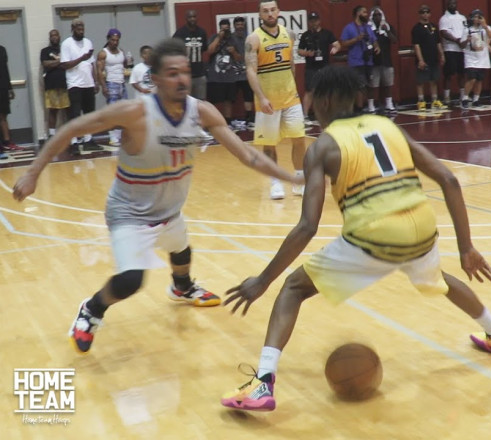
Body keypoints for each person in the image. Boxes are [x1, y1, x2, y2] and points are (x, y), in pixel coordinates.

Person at [219, 65, 491, 412]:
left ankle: (263, 383)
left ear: (323, 99)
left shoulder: (323, 148)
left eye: (311, 98)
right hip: (422, 228)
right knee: (438, 278)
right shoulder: (388, 126)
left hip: (374, 235)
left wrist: (262, 280)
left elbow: (307, 227)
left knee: (293, 288)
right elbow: (448, 180)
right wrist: (466, 248)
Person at [11, 38, 303, 354]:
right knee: (131, 281)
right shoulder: (135, 112)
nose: (181, 79)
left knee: (181, 253)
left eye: (185, 73)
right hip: (129, 213)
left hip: (169, 212)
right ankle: (92, 309)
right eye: (173, 73)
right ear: (157, 79)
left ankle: (182, 288)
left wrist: (291, 176)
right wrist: (32, 173)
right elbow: (71, 129)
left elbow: (248, 156)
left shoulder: (201, 112)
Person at [245, 0, 307, 200]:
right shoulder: (253, 39)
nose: (270, 14)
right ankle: (275, 183)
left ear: (278, 11)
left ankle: (299, 181)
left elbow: (291, 65)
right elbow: (250, 71)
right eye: (265, 11)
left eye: (273, 10)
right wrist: (261, 97)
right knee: (269, 144)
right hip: (267, 101)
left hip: (291, 98)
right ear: (260, 15)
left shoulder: (288, 34)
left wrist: (292, 88)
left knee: (299, 139)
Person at [60, 19, 101, 153]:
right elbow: (64, 65)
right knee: (75, 115)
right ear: (72, 28)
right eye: (78, 27)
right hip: (74, 84)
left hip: (88, 83)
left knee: (89, 115)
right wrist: (81, 59)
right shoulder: (66, 44)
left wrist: (95, 81)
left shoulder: (88, 42)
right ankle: (74, 143)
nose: (81, 30)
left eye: (82, 27)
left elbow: (92, 64)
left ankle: (88, 140)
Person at [297, 12, 339, 122]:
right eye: (311, 21)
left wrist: (335, 48)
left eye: (315, 20)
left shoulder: (327, 33)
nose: (313, 23)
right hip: (311, 67)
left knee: (327, 90)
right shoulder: (305, 35)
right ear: (308, 22)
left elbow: (337, 44)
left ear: (319, 21)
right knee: (309, 91)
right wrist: (307, 53)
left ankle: (328, 113)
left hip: (325, 66)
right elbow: (299, 51)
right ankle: (305, 115)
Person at [340, 5, 379, 112]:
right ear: (358, 13)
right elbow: (343, 43)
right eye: (364, 12)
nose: (366, 14)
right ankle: (358, 108)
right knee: (358, 86)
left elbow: (374, 40)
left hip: (368, 60)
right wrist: (356, 39)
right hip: (356, 61)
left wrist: (376, 47)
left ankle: (370, 106)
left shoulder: (368, 27)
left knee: (369, 84)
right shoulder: (349, 27)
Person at [205, 19, 240, 128]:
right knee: (214, 101)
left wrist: (233, 51)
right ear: (219, 28)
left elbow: (239, 58)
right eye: (223, 28)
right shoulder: (214, 37)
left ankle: (228, 122)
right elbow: (209, 51)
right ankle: (213, 122)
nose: (225, 31)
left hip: (229, 76)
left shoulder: (233, 39)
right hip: (215, 76)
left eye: (227, 28)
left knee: (228, 101)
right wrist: (219, 38)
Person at [96, 28, 127, 145]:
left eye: (117, 40)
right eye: (113, 40)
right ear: (108, 39)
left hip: (121, 83)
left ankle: (119, 136)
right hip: (111, 83)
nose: (115, 42)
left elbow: (124, 65)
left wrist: (128, 61)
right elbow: (99, 71)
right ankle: (112, 137)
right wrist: (103, 86)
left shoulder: (121, 52)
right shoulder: (103, 53)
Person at [411, 4, 445, 111]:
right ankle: (421, 101)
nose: (425, 14)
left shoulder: (433, 27)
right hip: (423, 58)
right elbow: (416, 45)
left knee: (433, 80)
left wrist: (442, 54)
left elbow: (438, 42)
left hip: (433, 57)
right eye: (422, 12)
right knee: (421, 81)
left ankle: (434, 100)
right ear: (419, 14)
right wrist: (420, 60)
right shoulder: (416, 29)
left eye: (427, 12)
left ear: (429, 14)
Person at [40, 29, 70, 142]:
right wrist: (60, 61)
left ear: (59, 36)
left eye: (56, 35)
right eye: (52, 36)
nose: (54, 37)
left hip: (66, 83)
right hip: (51, 84)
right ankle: (52, 135)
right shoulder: (45, 51)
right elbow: (46, 63)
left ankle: (71, 134)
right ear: (49, 38)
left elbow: (69, 63)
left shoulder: (65, 49)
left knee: (68, 110)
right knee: (53, 110)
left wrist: (56, 63)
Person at [172, 10, 208, 101]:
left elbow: (204, 48)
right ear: (186, 18)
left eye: (194, 17)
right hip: (185, 74)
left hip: (200, 73)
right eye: (190, 17)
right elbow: (173, 49)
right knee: (186, 101)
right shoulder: (180, 33)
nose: (192, 19)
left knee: (201, 101)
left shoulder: (202, 32)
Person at [461, 9, 491, 109]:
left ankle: (476, 98)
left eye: (479, 17)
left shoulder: (485, 28)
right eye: (475, 17)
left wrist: (485, 25)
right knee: (472, 78)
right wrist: (467, 40)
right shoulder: (467, 30)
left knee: (479, 79)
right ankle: (465, 98)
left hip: (482, 58)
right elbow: (461, 45)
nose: (477, 19)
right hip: (471, 57)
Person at [369, 6, 397, 113]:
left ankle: (389, 104)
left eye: (379, 15)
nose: (377, 17)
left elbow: (394, 40)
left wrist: (387, 31)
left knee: (388, 84)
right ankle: (371, 105)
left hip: (386, 61)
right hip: (373, 62)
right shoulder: (369, 29)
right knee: (373, 85)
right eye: (375, 15)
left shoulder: (388, 27)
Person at [439, 0, 467, 106]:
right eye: (450, 4)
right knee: (448, 74)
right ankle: (446, 97)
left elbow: (465, 30)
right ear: (447, 5)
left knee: (462, 73)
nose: (452, 5)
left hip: (461, 50)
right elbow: (443, 32)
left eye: (454, 3)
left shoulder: (462, 18)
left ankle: (462, 96)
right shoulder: (444, 19)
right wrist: (456, 40)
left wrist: (463, 41)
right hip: (450, 49)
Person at [231, 16, 254, 131]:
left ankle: (249, 118)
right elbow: (234, 56)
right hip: (233, 73)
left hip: (246, 72)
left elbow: (250, 54)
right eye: (238, 24)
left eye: (241, 24)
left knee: (248, 96)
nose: (240, 26)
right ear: (234, 26)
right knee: (231, 97)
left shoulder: (248, 38)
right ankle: (230, 120)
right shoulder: (230, 38)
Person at [0, 44, 16, 158]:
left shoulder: (2, 50)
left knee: (3, 115)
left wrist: (10, 87)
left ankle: (7, 142)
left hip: (3, 87)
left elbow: (5, 69)